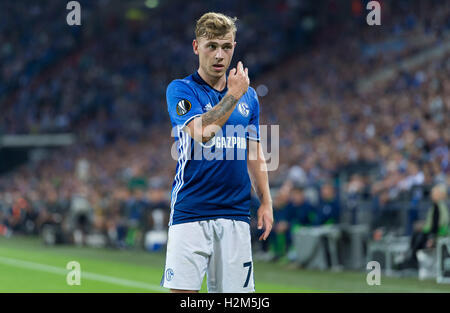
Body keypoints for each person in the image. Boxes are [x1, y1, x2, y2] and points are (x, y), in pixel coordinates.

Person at [160, 12, 273, 293]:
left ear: (234, 46)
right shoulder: (181, 90)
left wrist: (266, 202)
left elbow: (255, 153)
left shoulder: (249, 96)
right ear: (197, 47)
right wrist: (232, 95)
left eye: (227, 46)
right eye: (212, 46)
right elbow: (203, 132)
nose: (220, 55)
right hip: (190, 212)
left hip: (235, 214)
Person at [396, 184, 449, 270]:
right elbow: (433, 223)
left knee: (419, 237)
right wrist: (423, 225)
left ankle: (413, 260)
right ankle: (412, 259)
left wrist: (432, 238)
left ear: (439, 195)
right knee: (417, 234)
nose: (431, 195)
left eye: (433, 193)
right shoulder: (440, 206)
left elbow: (438, 225)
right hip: (435, 234)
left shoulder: (438, 207)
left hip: (437, 236)